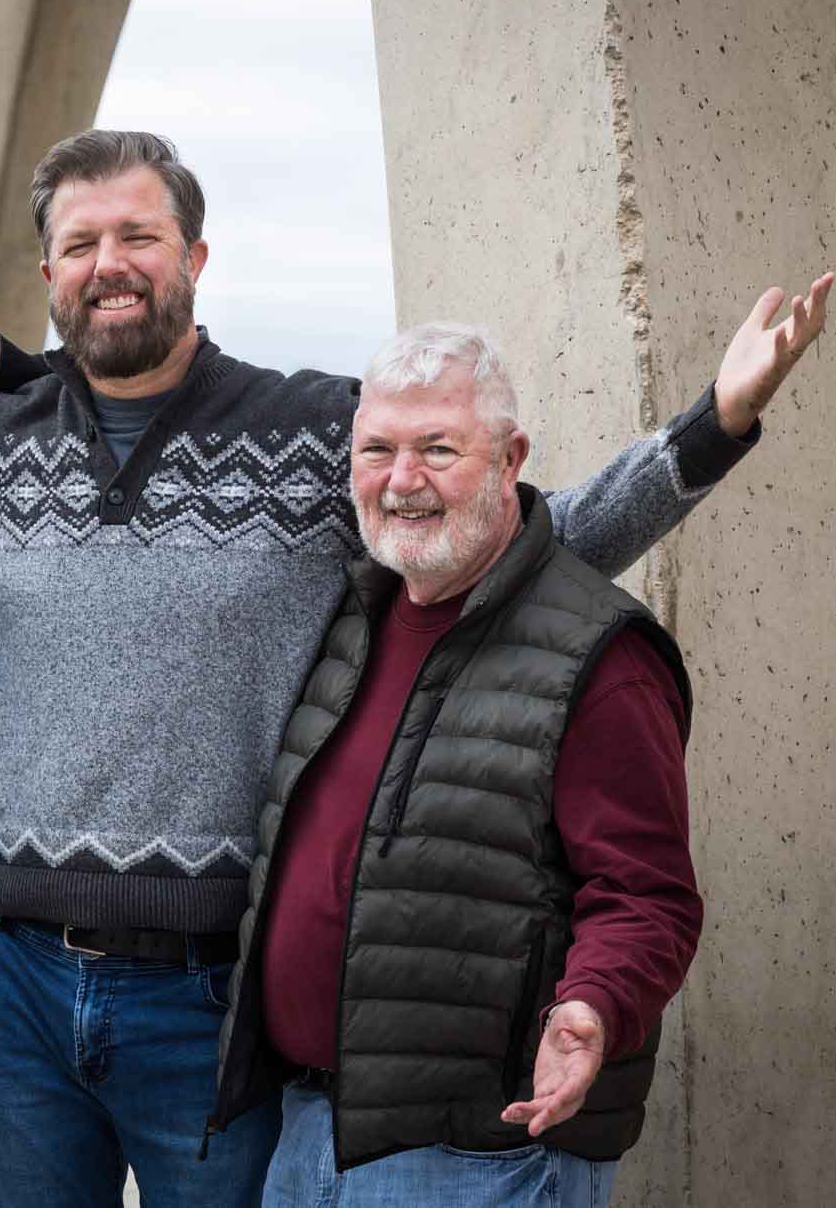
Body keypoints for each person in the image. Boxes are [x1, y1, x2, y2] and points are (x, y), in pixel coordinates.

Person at [0, 130, 828, 1208]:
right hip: (6, 989)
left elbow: (519, 526)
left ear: (194, 257)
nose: (110, 261)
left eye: (139, 232)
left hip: (207, 991)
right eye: (80, 242)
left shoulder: (313, 431)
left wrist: (708, 426)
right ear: (48, 279)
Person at [217, 323, 704, 1207]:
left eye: (438, 449)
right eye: (379, 450)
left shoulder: (603, 655)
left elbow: (648, 895)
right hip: (309, 1132)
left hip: (486, 1158)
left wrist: (592, 1007)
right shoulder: (354, 618)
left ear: (511, 456)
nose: (403, 481)